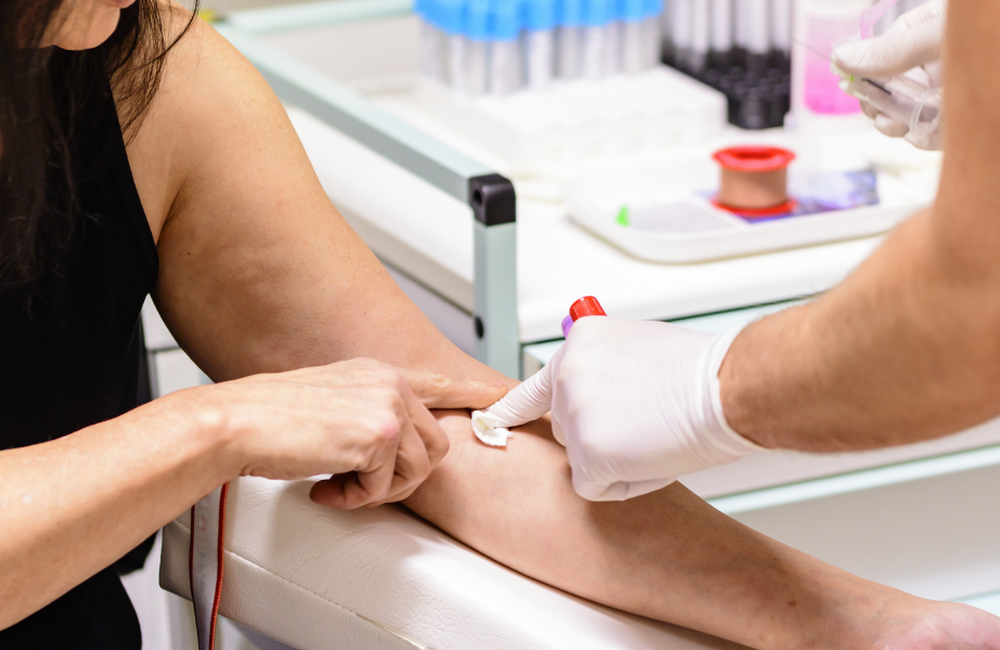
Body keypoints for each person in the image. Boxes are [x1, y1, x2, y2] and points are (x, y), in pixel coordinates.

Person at [2, 1, 998, 649]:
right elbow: (969, 301)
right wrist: (205, 428)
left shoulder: (150, 77)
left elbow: (462, 441)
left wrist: (873, 623)